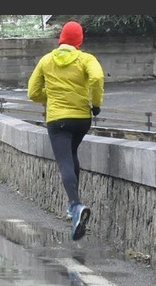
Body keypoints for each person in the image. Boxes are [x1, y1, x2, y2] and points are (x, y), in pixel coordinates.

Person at [27, 20, 104, 241]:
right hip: (81, 119)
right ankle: (73, 206)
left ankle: (75, 205)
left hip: (58, 120)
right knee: (71, 154)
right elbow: (97, 77)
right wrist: (95, 103)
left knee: (64, 162)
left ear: (61, 38)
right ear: (79, 40)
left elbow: (32, 92)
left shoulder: (46, 60)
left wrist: (50, 96)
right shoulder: (86, 59)